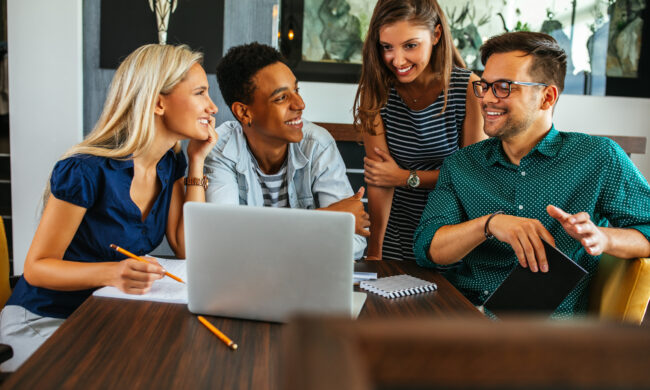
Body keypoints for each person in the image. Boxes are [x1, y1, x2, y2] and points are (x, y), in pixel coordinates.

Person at [0, 44, 219, 371]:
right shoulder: (85, 170)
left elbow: (187, 246)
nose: (213, 107)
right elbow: (36, 267)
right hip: (45, 319)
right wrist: (113, 273)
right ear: (158, 102)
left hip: (105, 314)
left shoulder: (168, 164)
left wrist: (196, 161)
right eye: (201, 92)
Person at [413, 31, 650, 316]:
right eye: (485, 86)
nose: (487, 98)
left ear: (547, 97)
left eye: (503, 87)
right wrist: (489, 224)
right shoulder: (461, 165)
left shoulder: (598, 157)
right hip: (463, 317)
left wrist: (604, 238)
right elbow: (427, 249)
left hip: (544, 335)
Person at [205, 42, 368, 259]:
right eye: (281, 97)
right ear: (244, 112)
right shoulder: (221, 150)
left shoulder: (317, 144)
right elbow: (224, 243)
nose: (300, 104)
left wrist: (259, 238)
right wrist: (327, 219)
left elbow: (354, 242)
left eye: (296, 90)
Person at [353, 0, 485, 261]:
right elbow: (381, 179)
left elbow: (471, 179)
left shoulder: (469, 89)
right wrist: (375, 252)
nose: (397, 60)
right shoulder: (376, 92)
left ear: (436, 35)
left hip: (452, 233)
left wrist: (405, 177)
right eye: (387, 47)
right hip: (396, 233)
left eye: (410, 45)